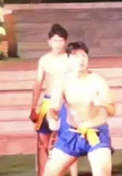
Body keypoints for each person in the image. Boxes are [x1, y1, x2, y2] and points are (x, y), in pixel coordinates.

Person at [43, 41, 116, 176]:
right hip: (72, 134)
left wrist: (102, 103)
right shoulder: (63, 81)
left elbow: (112, 110)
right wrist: (51, 118)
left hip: (96, 133)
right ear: (69, 59)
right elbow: (53, 108)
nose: (81, 60)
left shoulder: (97, 81)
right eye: (76, 56)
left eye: (84, 56)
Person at [30, 24, 79, 176]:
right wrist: (33, 107)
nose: (57, 44)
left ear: (65, 41)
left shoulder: (71, 59)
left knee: (69, 140)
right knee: (42, 141)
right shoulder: (44, 60)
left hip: (66, 103)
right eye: (54, 41)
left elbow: (77, 81)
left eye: (60, 41)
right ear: (49, 42)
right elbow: (38, 83)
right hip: (48, 102)